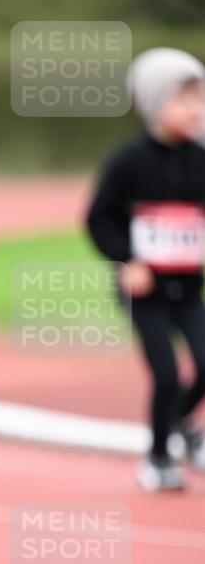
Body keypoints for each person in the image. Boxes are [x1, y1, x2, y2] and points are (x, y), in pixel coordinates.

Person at [86, 47, 205, 491]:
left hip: (189, 288)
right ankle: (158, 458)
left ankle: (182, 425)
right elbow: (98, 217)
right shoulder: (129, 162)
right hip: (145, 292)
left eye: (200, 100)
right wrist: (127, 260)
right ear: (155, 104)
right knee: (168, 373)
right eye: (185, 100)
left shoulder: (200, 159)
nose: (196, 110)